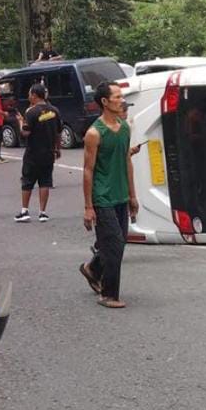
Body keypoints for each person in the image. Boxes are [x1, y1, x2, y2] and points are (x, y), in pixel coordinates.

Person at [80, 81, 139, 309]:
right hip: (102, 197)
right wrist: (88, 206)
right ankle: (108, 294)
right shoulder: (94, 133)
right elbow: (88, 170)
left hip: (120, 195)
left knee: (118, 241)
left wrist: (133, 195)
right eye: (116, 96)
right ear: (104, 102)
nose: (121, 100)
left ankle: (93, 268)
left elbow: (126, 162)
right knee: (114, 243)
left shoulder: (124, 128)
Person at [14, 83, 62, 223]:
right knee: (45, 181)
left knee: (27, 181)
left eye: (30, 94)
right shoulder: (55, 111)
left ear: (34, 95)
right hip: (48, 152)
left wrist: (20, 121)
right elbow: (59, 132)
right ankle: (42, 212)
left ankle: (25, 211)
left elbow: (25, 132)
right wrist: (57, 149)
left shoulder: (31, 112)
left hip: (33, 152)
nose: (29, 96)